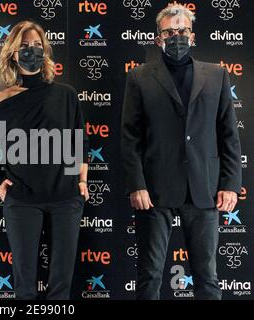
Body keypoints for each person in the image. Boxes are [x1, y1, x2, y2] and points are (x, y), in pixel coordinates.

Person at [121, 5, 242, 300]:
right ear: (158, 38)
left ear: (192, 35)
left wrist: (230, 184)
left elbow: (228, 134)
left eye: (182, 31)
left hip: (204, 188)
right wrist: (137, 184)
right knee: (149, 276)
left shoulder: (216, 75)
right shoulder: (139, 77)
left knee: (207, 277)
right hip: (154, 190)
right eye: (169, 31)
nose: (176, 36)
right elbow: (130, 136)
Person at [0, 20, 89, 300]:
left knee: (61, 284)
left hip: (66, 198)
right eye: (24, 46)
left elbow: (79, 142)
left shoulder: (66, 94)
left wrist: (82, 181)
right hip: (22, 200)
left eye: (37, 45)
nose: (31, 51)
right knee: (24, 283)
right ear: (13, 54)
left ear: (46, 51)